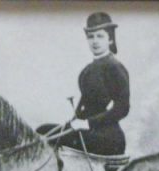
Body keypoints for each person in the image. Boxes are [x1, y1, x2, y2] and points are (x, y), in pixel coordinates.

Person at [40, 12, 130, 156]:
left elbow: (122, 108)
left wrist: (87, 123)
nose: (95, 41)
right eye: (91, 37)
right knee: (42, 131)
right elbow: (86, 103)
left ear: (110, 40)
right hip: (87, 132)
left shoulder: (115, 68)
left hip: (108, 139)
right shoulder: (87, 70)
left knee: (46, 137)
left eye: (100, 36)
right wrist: (73, 122)